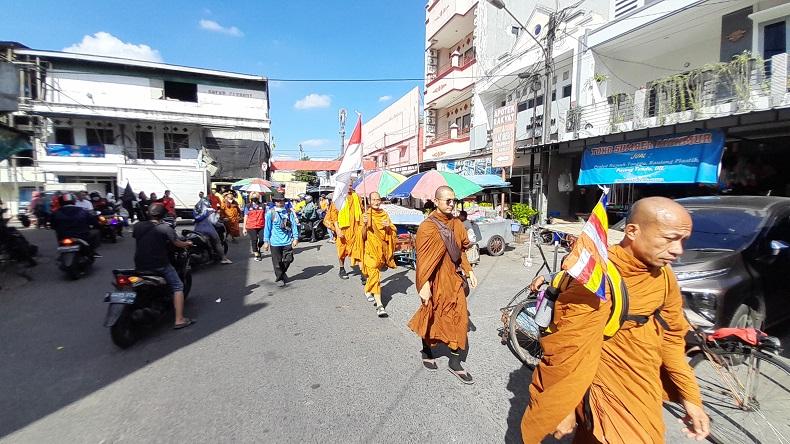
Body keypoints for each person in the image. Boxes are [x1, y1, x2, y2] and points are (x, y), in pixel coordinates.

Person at [520, 196, 709, 443]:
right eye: (669, 239)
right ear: (632, 231)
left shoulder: (664, 277)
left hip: (643, 384)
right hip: (602, 383)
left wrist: (691, 398)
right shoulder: (595, 281)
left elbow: (672, 338)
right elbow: (567, 349)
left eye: (683, 240)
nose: (678, 250)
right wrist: (565, 406)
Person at [408, 186, 478, 384]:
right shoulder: (427, 227)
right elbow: (423, 259)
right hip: (434, 280)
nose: (451, 204)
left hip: (453, 279)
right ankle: (427, 349)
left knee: (459, 317)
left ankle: (455, 362)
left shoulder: (457, 224)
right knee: (432, 314)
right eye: (447, 200)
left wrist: (469, 270)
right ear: (436, 201)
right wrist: (423, 285)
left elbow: (461, 251)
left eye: (453, 200)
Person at [133, 203, 195, 329]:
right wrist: (187, 243)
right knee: (178, 286)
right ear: (163, 215)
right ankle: (179, 320)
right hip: (159, 265)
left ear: (148, 213)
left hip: (140, 265)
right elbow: (177, 243)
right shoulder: (165, 228)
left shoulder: (137, 226)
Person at [362, 192, 397, 317]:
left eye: (378, 199)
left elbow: (392, 232)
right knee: (375, 276)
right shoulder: (366, 215)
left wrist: (388, 227)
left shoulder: (384, 214)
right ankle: (380, 306)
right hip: (370, 251)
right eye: (374, 200)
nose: (376, 202)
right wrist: (365, 225)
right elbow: (362, 236)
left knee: (373, 276)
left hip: (381, 251)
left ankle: (367, 289)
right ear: (369, 201)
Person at [263, 193, 299, 287]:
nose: (280, 202)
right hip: (275, 242)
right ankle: (279, 278)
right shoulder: (270, 213)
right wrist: (266, 241)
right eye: (278, 201)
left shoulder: (288, 212)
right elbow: (267, 228)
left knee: (289, 259)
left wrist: (295, 238)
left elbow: (294, 225)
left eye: (282, 200)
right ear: (275, 202)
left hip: (287, 241)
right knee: (277, 263)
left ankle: (281, 273)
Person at [50, 193, 100, 257]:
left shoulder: (56, 213)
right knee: (96, 232)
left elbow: (52, 225)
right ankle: (92, 251)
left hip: (63, 236)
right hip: (81, 235)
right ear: (74, 201)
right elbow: (93, 221)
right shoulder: (83, 211)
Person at [333, 184, 364, 280]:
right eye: (348, 184)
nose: (350, 186)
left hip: (356, 229)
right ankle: (342, 268)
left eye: (351, 185)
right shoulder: (338, 197)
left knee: (359, 250)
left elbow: (362, 210)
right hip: (343, 229)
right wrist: (337, 229)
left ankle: (363, 273)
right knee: (342, 251)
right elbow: (334, 214)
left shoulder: (357, 197)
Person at [193, 199, 232, 265]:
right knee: (217, 242)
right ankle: (224, 259)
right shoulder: (210, 210)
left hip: (197, 229)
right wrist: (221, 223)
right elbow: (214, 222)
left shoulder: (195, 210)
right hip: (208, 229)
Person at [243, 192, 267, 261]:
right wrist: (244, 228)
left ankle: (258, 247)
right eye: (253, 197)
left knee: (262, 240)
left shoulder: (263, 205)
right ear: (250, 198)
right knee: (254, 239)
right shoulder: (248, 206)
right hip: (251, 226)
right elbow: (245, 217)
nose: (254, 198)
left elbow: (266, 215)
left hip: (261, 225)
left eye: (256, 197)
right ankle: (256, 253)